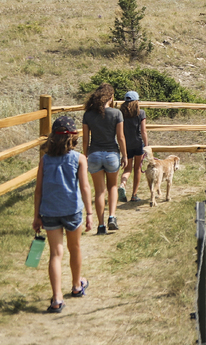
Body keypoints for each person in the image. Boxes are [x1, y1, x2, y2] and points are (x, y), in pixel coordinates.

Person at [31, 115, 93, 313]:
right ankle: (76, 286)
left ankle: (57, 298)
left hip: (49, 212)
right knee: (74, 248)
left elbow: (38, 190)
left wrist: (36, 216)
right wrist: (90, 213)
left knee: (55, 254)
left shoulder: (45, 160)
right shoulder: (79, 158)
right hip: (72, 211)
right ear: (73, 138)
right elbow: (84, 187)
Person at [81, 83, 127, 234]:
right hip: (112, 154)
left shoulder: (88, 115)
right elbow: (120, 137)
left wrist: (85, 155)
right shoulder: (116, 113)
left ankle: (100, 225)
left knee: (99, 191)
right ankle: (112, 217)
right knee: (112, 187)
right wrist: (125, 155)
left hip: (94, 154)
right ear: (110, 97)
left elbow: (86, 140)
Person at [116, 90, 148, 204]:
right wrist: (147, 145)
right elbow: (143, 131)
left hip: (126, 144)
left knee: (127, 168)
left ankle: (122, 184)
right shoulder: (141, 113)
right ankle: (134, 195)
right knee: (137, 169)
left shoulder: (120, 114)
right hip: (138, 143)